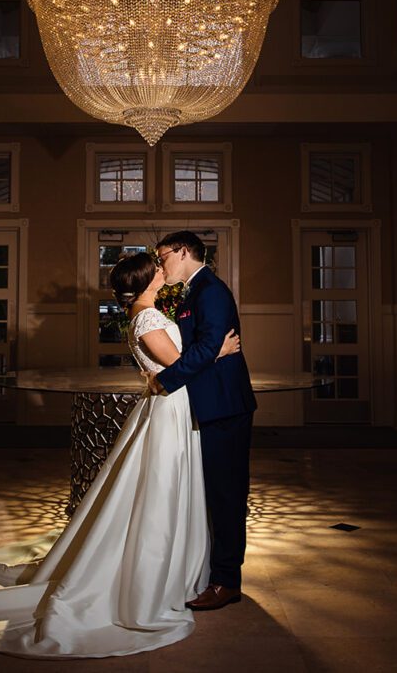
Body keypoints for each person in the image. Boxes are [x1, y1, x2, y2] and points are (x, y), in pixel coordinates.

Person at [0, 251, 241, 659]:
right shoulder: (145, 317)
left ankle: (178, 568)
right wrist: (221, 352)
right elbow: (178, 365)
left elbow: (176, 363)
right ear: (144, 280)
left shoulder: (152, 310)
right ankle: (150, 577)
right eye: (157, 268)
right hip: (167, 410)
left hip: (173, 407)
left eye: (163, 263)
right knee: (158, 491)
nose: (163, 269)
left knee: (166, 490)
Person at [148, 230, 256, 611]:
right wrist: (212, 351)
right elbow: (208, 348)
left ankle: (227, 582)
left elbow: (209, 345)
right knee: (214, 495)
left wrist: (164, 380)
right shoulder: (195, 291)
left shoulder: (210, 289)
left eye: (163, 257)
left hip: (225, 406)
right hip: (209, 404)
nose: (161, 265)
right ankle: (215, 573)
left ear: (182, 251)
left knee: (227, 496)